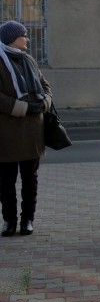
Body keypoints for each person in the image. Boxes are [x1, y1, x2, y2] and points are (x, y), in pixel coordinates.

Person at [0, 21, 52, 237]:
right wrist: (23, 107)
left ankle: (27, 219)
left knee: (30, 179)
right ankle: (9, 220)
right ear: (13, 38)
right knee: (6, 181)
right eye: (24, 35)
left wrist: (45, 102)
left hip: (32, 130)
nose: (27, 39)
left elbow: (45, 85)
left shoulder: (29, 59)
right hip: (7, 131)